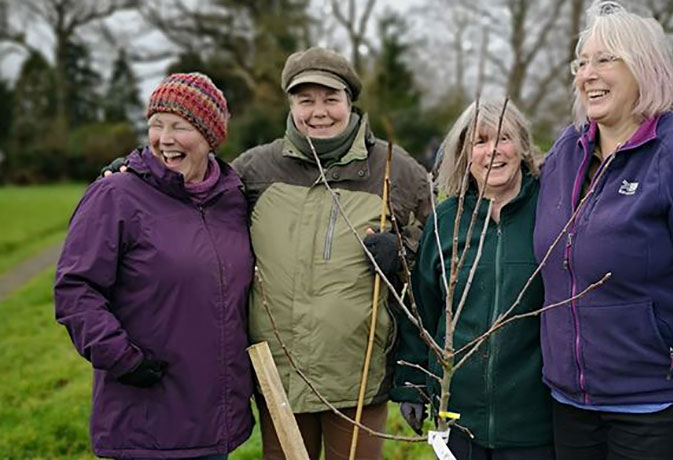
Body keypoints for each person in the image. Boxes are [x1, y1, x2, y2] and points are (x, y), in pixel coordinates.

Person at [533, 2, 673, 460]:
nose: (587, 74)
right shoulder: (564, 153)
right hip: (568, 404)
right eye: (582, 63)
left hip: (657, 407)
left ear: (645, 67)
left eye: (605, 59)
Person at [231, 47, 431, 460]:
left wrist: (403, 250)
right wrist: (139, 171)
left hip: (357, 373)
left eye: (330, 99)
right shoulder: (255, 170)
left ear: (350, 102)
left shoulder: (394, 168)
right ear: (290, 105)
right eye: (306, 100)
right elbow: (190, 202)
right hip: (280, 371)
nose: (318, 112)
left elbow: (440, 245)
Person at [54, 73, 254, 459]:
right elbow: (75, 290)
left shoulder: (233, 200)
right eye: (156, 125)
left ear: (211, 136)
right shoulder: (116, 195)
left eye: (180, 126)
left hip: (215, 422)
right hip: (145, 422)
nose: (165, 138)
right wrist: (122, 358)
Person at [391, 99, 554, 459]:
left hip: (535, 421)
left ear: (524, 147)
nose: (492, 151)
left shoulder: (551, 213)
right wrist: (412, 385)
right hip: (457, 415)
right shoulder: (445, 221)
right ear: (465, 155)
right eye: (479, 142)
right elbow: (422, 312)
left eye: (504, 138)